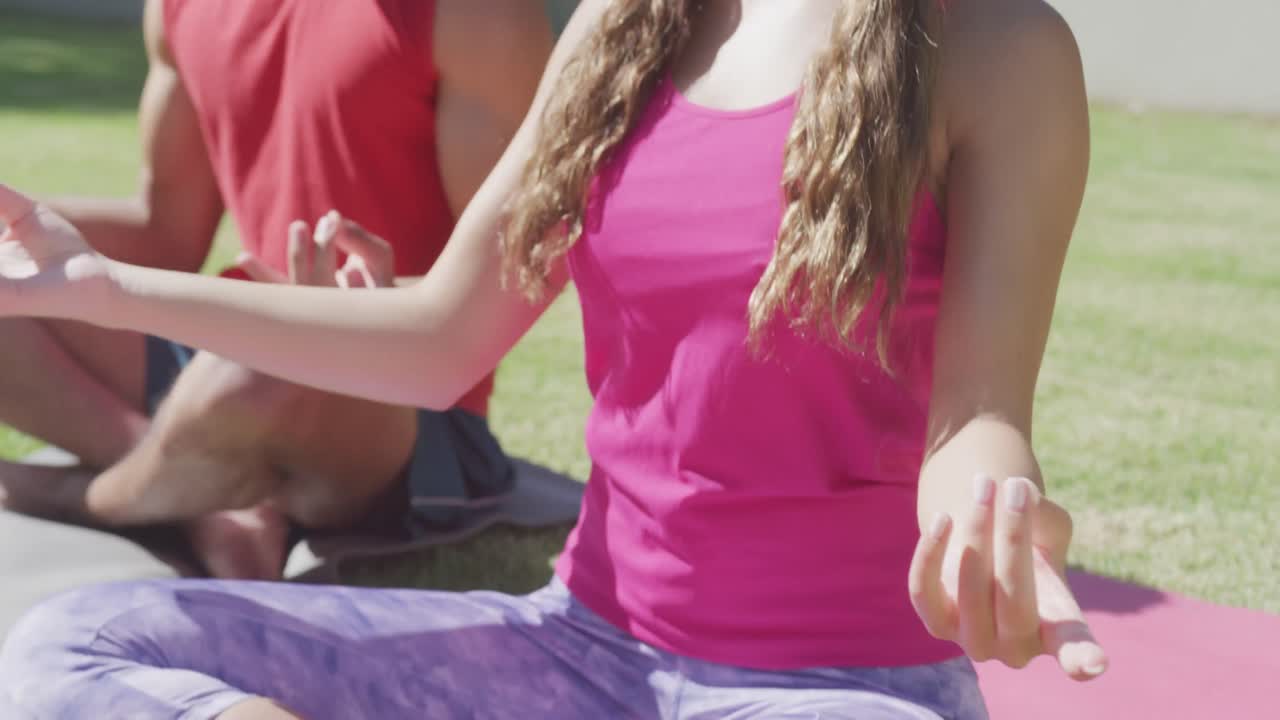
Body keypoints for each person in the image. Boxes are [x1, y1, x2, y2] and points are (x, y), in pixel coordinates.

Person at [0, 0, 1108, 717]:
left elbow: (977, 414)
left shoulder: (997, 50)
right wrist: (110, 289)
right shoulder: (622, 32)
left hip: (838, 690)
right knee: (75, 649)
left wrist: (993, 509)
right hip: (577, 654)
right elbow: (439, 335)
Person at [0, 0, 553, 579]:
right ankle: (198, 495)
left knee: (259, 364)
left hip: (404, 398)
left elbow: (515, 274)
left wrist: (340, 311)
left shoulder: (476, 16)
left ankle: (91, 498)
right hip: (229, 357)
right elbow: (166, 234)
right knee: (250, 355)